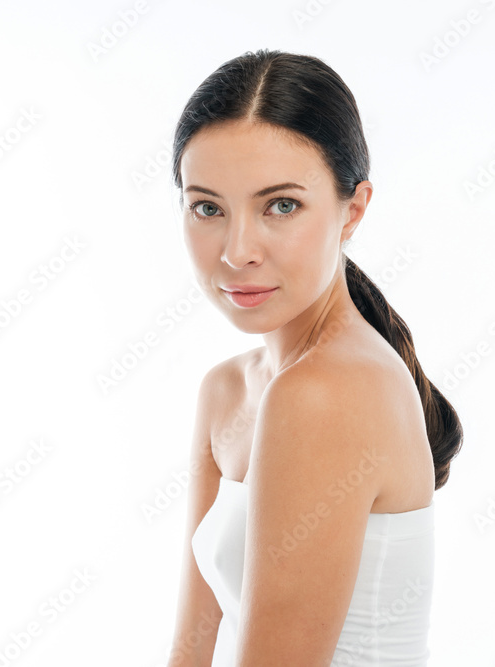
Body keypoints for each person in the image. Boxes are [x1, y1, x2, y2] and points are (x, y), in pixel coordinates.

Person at [166, 48, 463, 666]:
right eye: (208, 207)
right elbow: (190, 652)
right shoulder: (227, 390)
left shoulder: (327, 392)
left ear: (353, 210)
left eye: (281, 205)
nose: (238, 251)